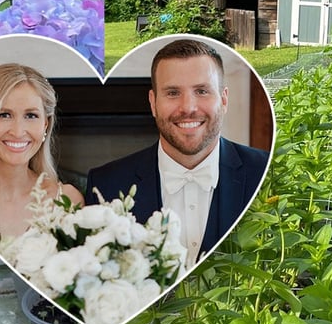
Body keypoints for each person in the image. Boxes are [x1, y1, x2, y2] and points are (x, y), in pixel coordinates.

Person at [85, 38, 270, 265]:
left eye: (202, 91)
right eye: (172, 93)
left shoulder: (267, 171)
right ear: (153, 103)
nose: (188, 108)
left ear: (223, 100)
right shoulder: (106, 185)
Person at [0, 63, 84, 244]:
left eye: (31, 115)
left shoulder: (67, 200)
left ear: (45, 124)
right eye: (4, 115)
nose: (18, 131)